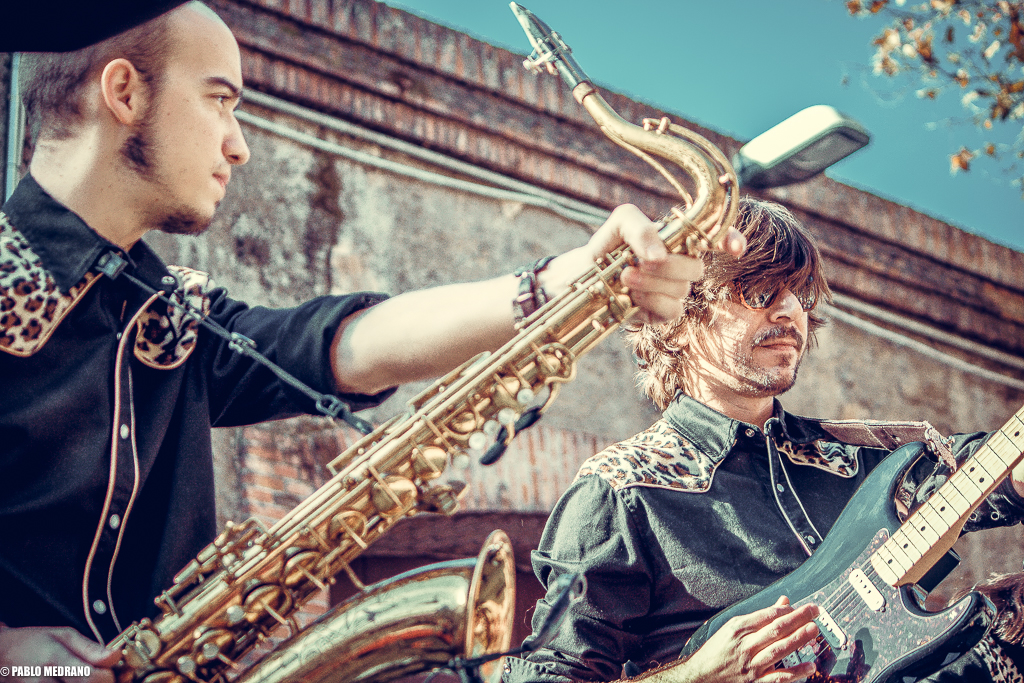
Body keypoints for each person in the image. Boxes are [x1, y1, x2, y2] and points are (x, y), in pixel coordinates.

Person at [0, 2, 742, 680]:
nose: (238, 144)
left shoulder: (172, 316)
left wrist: (561, 281)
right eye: (219, 100)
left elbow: (338, 346)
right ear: (124, 93)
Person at [503, 197, 1024, 683]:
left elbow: (996, 474)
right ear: (676, 319)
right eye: (758, 291)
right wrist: (693, 675)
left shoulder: (861, 461)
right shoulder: (621, 490)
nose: (789, 311)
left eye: (800, 295)